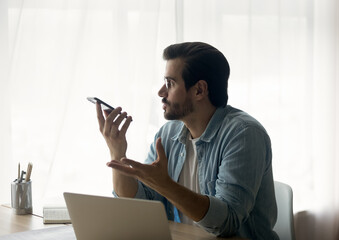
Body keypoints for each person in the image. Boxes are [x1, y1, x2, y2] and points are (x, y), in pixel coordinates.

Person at [95, 42, 279, 239]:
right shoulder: (168, 133)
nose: (160, 92)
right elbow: (140, 204)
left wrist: (165, 185)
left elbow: (226, 223)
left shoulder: (243, 135)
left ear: (199, 90)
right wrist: (117, 151)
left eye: (169, 83)